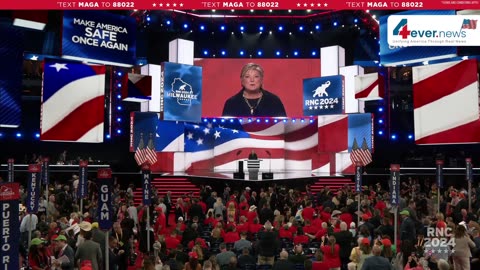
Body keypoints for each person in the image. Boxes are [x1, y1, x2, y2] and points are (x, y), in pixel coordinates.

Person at [222, 63, 286, 117]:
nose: (252, 80)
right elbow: (225, 129)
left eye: (256, 76)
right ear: (242, 80)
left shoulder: (274, 101)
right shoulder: (231, 103)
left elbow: (283, 127)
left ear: (261, 80)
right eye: (247, 77)